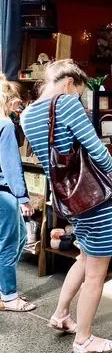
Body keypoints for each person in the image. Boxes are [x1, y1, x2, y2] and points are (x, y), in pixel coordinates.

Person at [21, 59, 112, 353]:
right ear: (69, 83)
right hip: (93, 197)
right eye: (78, 92)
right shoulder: (66, 105)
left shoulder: (27, 115)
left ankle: (60, 314)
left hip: (67, 198)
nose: (77, 98)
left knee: (85, 257)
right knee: (97, 270)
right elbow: (95, 146)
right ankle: (83, 339)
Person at [0, 75, 35, 312]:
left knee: (18, 236)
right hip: (4, 192)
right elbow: (11, 164)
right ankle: (9, 296)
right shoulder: (6, 125)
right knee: (10, 243)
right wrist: (22, 197)